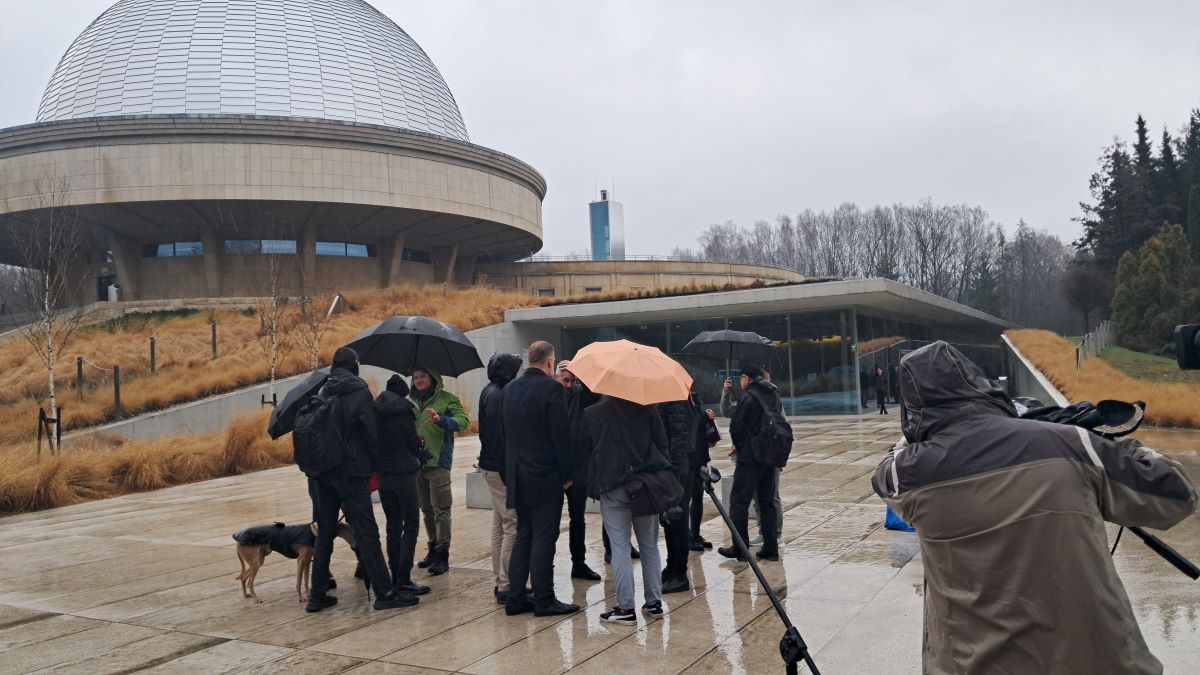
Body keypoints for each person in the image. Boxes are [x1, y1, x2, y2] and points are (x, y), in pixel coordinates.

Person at [873, 341, 1197, 674]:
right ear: (980, 382)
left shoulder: (908, 475)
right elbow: (1178, 494)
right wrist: (1109, 446)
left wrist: (916, 437)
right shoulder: (1074, 443)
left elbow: (886, 469)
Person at [307, 347, 413, 612]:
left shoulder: (322, 390)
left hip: (324, 473)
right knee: (367, 532)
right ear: (354, 365)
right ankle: (385, 592)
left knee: (325, 532)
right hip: (351, 472)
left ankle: (316, 595)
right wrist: (375, 465)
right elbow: (370, 433)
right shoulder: (358, 391)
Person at [502, 341, 579, 617]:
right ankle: (544, 598)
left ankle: (515, 597)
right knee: (544, 536)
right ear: (549, 362)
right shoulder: (551, 388)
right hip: (545, 474)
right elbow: (560, 435)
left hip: (518, 475)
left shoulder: (510, 389)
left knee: (524, 535)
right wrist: (567, 473)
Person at [587, 394, 669, 624]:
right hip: (645, 485)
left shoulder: (594, 413)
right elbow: (662, 446)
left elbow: (588, 450)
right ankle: (654, 603)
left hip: (612, 487)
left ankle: (625, 609)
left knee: (620, 547)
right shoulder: (649, 410)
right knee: (649, 546)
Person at [374, 374, 432, 600]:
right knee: (411, 524)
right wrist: (422, 452)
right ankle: (404, 578)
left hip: (384, 476)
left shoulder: (376, 410)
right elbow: (410, 440)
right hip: (405, 474)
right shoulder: (404, 409)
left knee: (392, 524)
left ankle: (394, 573)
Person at [719, 364, 781, 562]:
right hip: (769, 457)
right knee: (767, 502)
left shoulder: (748, 397)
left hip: (750, 459)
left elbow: (736, 427)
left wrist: (741, 447)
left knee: (739, 502)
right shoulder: (772, 394)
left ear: (746, 378)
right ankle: (771, 548)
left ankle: (741, 548)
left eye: (741, 379)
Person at [410, 367, 468, 576]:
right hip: (417, 465)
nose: (418, 380)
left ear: (433, 378)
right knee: (426, 509)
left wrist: (441, 420)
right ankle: (433, 547)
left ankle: (443, 553)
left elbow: (463, 422)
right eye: (415, 377)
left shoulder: (447, 399)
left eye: (423, 376)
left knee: (441, 509)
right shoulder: (410, 401)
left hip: (439, 464)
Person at [478, 352, 522, 604]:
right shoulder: (498, 395)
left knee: (499, 524)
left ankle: (500, 579)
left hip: (489, 465)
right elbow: (498, 438)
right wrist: (508, 474)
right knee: (512, 524)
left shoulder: (489, 390)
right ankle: (506, 583)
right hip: (499, 467)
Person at [556, 361, 603, 581]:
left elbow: (594, 393)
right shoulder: (548, 395)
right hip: (555, 471)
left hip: (578, 468)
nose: (569, 384)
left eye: (572, 380)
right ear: (555, 377)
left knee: (578, 520)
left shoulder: (579, 393)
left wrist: (582, 373)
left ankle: (579, 563)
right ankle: (545, 564)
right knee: (550, 522)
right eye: (565, 379)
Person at [658, 395, 697, 594]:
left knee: (678, 521)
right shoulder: (665, 397)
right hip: (670, 468)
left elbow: (679, 437)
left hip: (677, 470)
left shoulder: (674, 398)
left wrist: (671, 471)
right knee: (669, 521)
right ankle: (671, 566)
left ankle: (679, 574)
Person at [687, 395, 717, 551]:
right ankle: (687, 537)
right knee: (688, 498)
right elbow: (688, 424)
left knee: (698, 496)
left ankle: (695, 534)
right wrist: (704, 416)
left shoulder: (694, 400)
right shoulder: (678, 402)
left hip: (699, 455)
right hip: (688, 458)